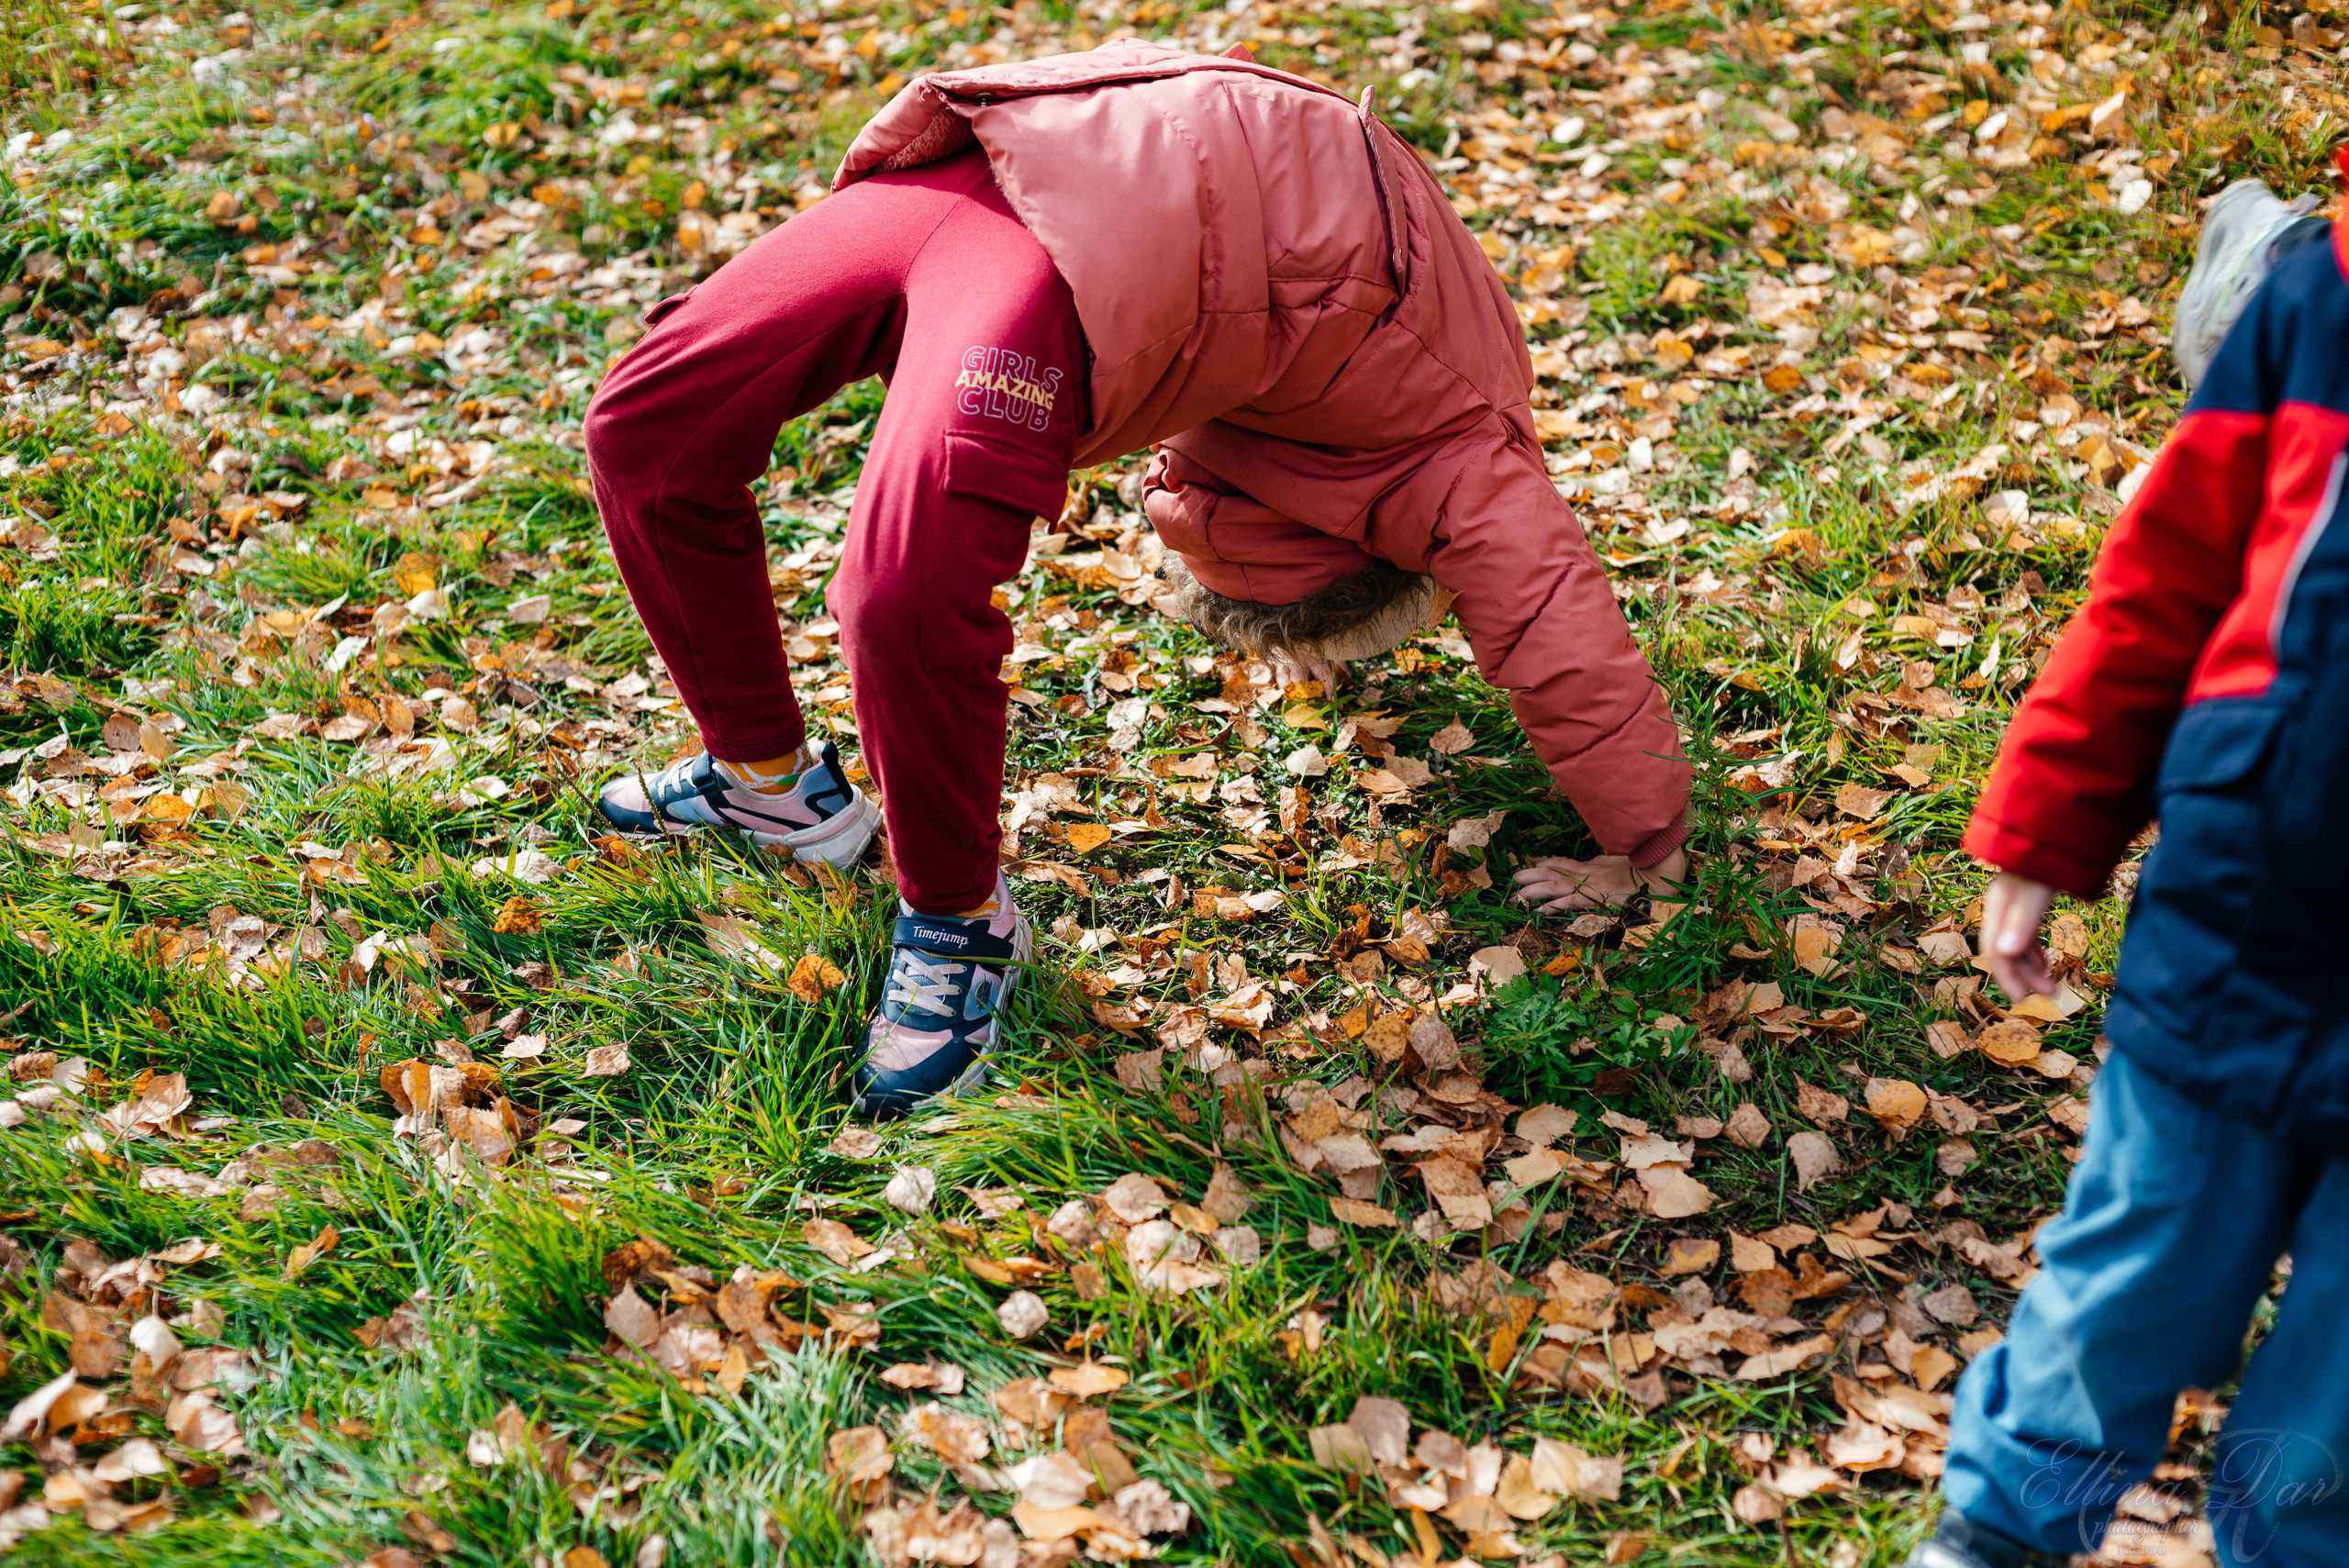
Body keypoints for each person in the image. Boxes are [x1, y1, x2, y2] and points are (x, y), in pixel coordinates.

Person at [583, 41, 1691, 1118]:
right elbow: (1555, 618)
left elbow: (1548, 616)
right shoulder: (1458, 437)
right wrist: (1645, 849)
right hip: (1027, 154)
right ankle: (768, 782)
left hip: (1099, 208)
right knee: (649, 426)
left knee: (900, 588)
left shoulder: (1414, 436)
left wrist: (1638, 843)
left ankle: (960, 918)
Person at [1907, 175, 2349, 1568]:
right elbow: (2167, 575)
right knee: (2137, 1264)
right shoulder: (2321, 295)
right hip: (2240, 911)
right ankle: (2001, 1531)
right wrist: (2051, 822)